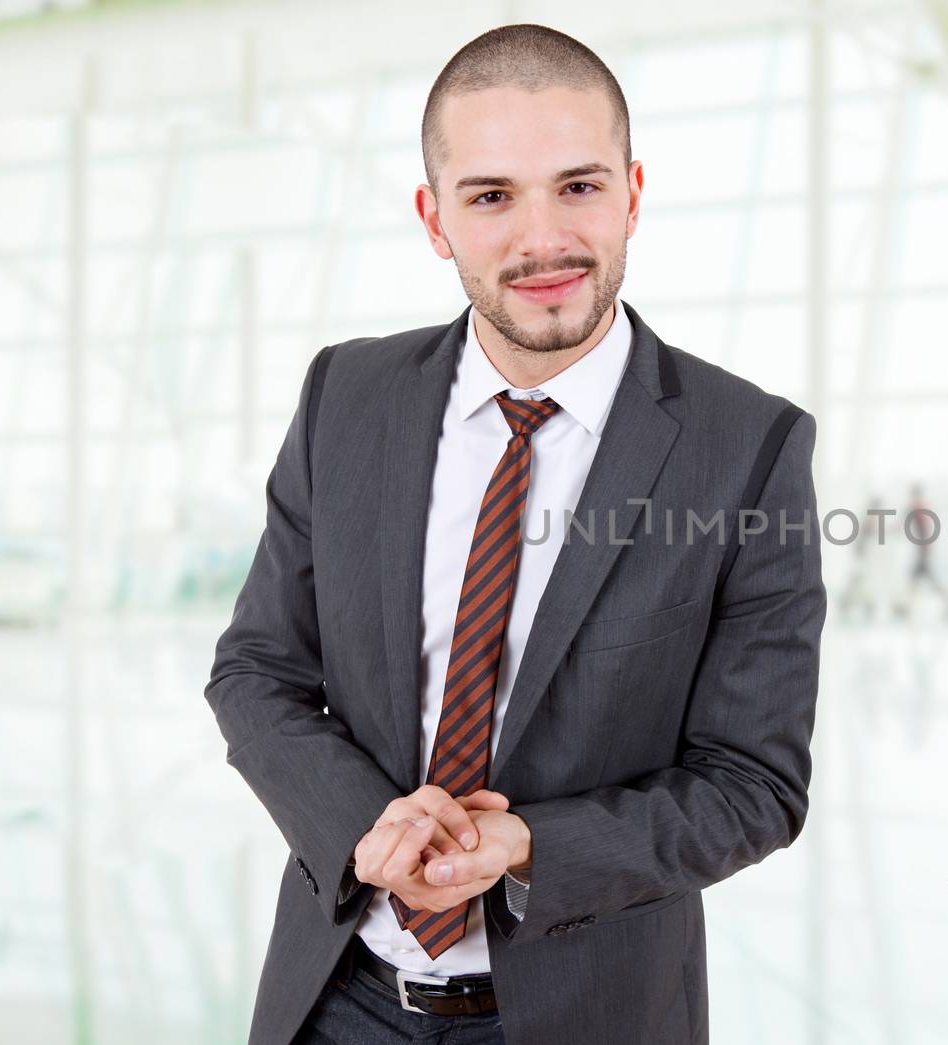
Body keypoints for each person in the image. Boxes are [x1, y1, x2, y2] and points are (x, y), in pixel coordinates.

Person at [204, 24, 825, 1045]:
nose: (542, 241)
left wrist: (529, 843)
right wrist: (365, 825)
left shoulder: (746, 448)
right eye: (491, 196)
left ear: (631, 192)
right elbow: (258, 667)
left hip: (589, 1013)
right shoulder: (343, 399)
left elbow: (753, 783)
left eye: (577, 187)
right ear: (434, 217)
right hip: (336, 999)